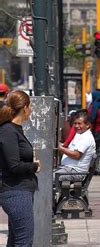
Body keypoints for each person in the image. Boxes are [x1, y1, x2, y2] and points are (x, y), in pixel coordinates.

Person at [0, 90, 41, 246]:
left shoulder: (14, 129)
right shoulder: (8, 131)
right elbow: (14, 166)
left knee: (15, 238)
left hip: (20, 190)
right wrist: (34, 166)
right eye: (30, 106)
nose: (30, 110)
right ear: (24, 108)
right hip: (15, 191)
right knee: (24, 240)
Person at [56, 110, 96, 181]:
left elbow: (76, 155)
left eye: (79, 124)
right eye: (75, 123)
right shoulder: (80, 134)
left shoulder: (86, 137)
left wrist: (61, 148)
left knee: (48, 178)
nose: (77, 126)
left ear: (87, 125)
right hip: (68, 169)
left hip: (74, 172)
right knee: (45, 173)